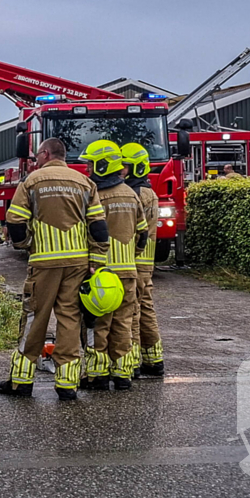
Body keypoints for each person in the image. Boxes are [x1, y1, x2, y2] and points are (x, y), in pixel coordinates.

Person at [0, 138, 109, 401]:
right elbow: (99, 226)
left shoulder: (32, 181)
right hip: (78, 263)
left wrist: (25, 244)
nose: (36, 160)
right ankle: (67, 383)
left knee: (35, 317)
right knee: (70, 318)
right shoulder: (85, 183)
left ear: (46, 154)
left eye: (38, 155)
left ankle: (21, 381)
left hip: (44, 262)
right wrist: (97, 259)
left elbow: (14, 220)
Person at [78, 140, 149, 391]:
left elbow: (89, 231)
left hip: (101, 273)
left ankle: (97, 375)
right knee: (124, 324)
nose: (87, 168)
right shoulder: (131, 194)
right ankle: (122, 375)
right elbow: (142, 234)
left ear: (102, 164)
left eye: (90, 163)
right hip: (128, 272)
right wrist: (130, 255)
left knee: (98, 324)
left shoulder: (94, 194)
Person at [121, 143, 165, 379]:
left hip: (135, 260)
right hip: (145, 261)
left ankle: (133, 361)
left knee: (133, 310)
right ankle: (153, 359)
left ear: (137, 168)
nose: (121, 171)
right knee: (145, 306)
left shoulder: (136, 193)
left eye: (125, 166)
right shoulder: (148, 191)